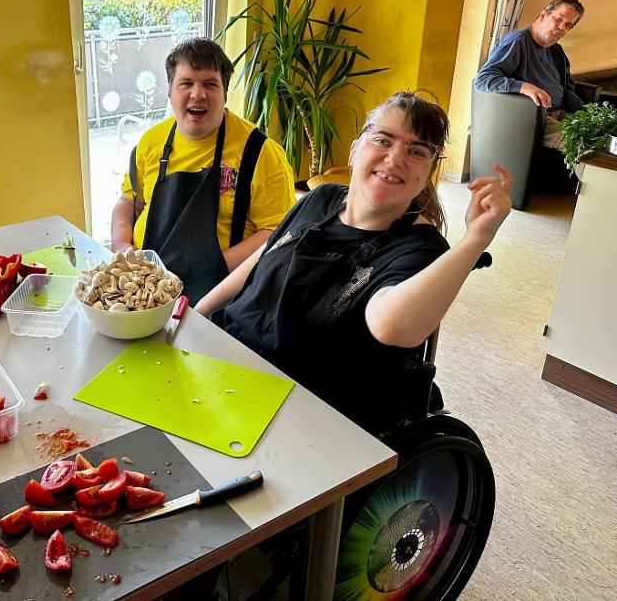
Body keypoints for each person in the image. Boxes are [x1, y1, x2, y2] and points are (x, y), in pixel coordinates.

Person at [196, 92, 512, 433]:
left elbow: (390, 324)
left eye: (416, 151)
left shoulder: (421, 248)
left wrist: (474, 240)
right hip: (231, 370)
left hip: (304, 417)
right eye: (383, 140)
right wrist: (193, 319)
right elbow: (261, 259)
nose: (394, 159)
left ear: (428, 173)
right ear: (354, 150)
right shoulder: (320, 197)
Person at [110, 38, 296, 303]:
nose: (198, 94)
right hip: (143, 290)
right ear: (170, 92)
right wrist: (122, 248)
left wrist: (212, 270)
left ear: (225, 93)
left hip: (218, 294)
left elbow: (278, 233)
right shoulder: (151, 142)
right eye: (186, 83)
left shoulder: (261, 154)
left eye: (210, 83)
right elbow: (129, 199)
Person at [474, 0, 586, 190]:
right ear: (543, 15)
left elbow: (568, 86)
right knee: (583, 147)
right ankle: (596, 204)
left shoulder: (557, 52)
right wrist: (524, 87)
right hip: (534, 120)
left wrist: (583, 112)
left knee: (601, 139)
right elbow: (483, 80)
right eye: (558, 19)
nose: (561, 27)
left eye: (568, 25)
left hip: (560, 114)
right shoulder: (516, 43)